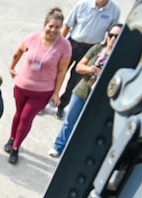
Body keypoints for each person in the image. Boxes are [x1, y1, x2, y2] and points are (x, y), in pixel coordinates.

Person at [4, 8, 72, 164]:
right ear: (45, 25)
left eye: (58, 27)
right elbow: (19, 50)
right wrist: (12, 66)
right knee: (18, 114)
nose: (54, 30)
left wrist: (56, 93)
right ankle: (12, 138)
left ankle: (15, 147)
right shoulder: (33, 38)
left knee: (27, 117)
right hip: (22, 85)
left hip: (42, 90)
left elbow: (62, 71)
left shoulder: (64, 46)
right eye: (51, 26)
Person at [50, 25, 121, 157]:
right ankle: (59, 146)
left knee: (87, 126)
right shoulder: (97, 49)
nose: (113, 39)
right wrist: (92, 69)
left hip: (100, 95)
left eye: (117, 37)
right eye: (111, 35)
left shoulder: (120, 58)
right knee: (70, 121)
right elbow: (79, 67)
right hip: (83, 90)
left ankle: (74, 152)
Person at [57, 0, 121, 118]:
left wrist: (103, 54)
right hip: (72, 44)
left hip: (91, 50)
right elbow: (67, 25)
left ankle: (61, 105)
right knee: (56, 73)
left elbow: (113, 34)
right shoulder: (83, 4)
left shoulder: (115, 11)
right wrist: (58, 45)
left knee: (76, 80)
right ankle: (45, 100)